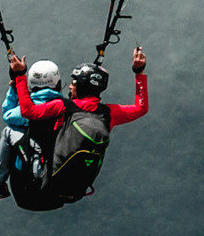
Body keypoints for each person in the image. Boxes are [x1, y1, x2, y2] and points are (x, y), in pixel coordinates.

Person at [9, 46, 148, 204]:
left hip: (43, 179)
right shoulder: (109, 113)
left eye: (74, 83)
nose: (69, 86)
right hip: (77, 190)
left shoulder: (62, 106)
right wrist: (139, 72)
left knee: (12, 133)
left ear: (82, 86)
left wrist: (20, 76)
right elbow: (141, 108)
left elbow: (28, 111)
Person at [0, 57, 65, 197]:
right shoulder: (64, 107)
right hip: (55, 171)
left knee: (9, 132)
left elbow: (9, 115)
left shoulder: (29, 108)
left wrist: (15, 89)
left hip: (33, 175)